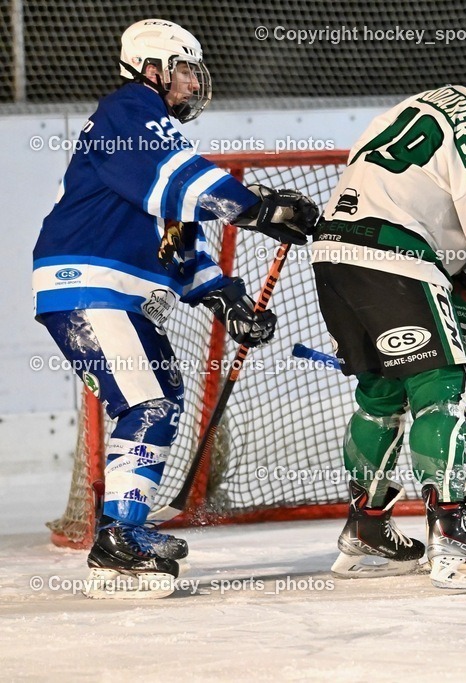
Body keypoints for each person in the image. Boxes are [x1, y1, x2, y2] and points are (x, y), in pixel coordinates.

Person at [32, 19, 318, 598]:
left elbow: (180, 241)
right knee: (148, 401)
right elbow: (180, 185)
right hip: (89, 287)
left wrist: (228, 301)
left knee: (163, 398)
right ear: (153, 68)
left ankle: (125, 528)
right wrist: (258, 207)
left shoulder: (157, 131)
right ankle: (116, 541)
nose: (192, 83)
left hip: (120, 295)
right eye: (185, 71)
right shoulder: (128, 108)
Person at [310, 28, 466, 588]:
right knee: (440, 388)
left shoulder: (431, 100)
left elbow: (422, 199)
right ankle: (452, 532)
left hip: (334, 255)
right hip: (395, 257)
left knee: (381, 394)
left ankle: (367, 525)